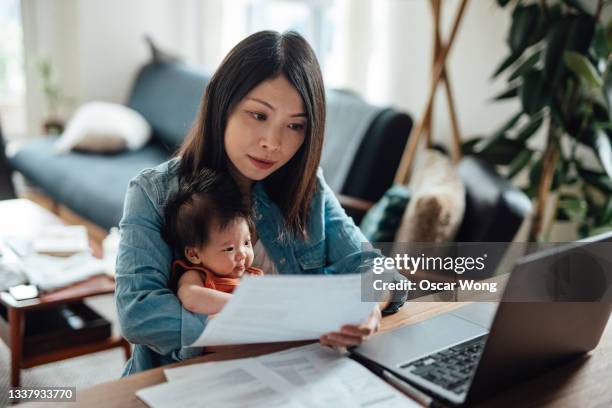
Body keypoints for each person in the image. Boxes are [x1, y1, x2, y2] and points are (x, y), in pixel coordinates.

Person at [115, 30, 405, 376]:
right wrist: (275, 327)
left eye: (295, 126)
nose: (273, 143)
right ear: (223, 105)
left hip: (295, 375)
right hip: (189, 381)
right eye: (258, 115)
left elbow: (377, 272)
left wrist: (369, 306)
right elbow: (139, 313)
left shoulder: (308, 188)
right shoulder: (154, 192)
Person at [163, 168, 264, 315]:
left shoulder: (252, 276)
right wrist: (244, 305)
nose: (242, 254)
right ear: (194, 255)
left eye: (246, 243)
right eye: (229, 249)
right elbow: (191, 299)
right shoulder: (197, 275)